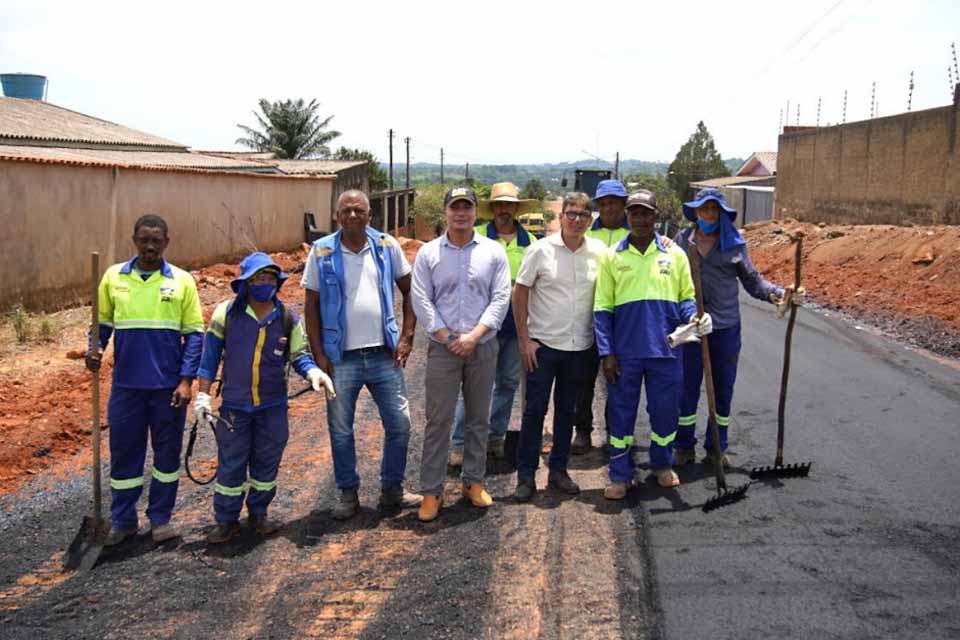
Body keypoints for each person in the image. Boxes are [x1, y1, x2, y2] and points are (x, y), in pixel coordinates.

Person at [194, 252, 334, 543]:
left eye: (270, 278)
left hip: (272, 407)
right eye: (258, 278)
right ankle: (226, 520)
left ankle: (258, 514)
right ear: (246, 282)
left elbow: (299, 356)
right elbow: (209, 359)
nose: (264, 283)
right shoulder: (226, 314)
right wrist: (203, 396)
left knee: (267, 463)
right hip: (234, 407)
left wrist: (313, 374)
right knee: (231, 464)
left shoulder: (287, 318)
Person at [302, 190, 420, 520]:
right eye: (346, 210)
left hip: (384, 355)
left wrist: (408, 336)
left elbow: (411, 291)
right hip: (341, 359)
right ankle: (347, 493)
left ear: (370, 215)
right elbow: (310, 306)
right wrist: (318, 355)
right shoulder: (321, 250)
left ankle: (392, 489)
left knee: (400, 424)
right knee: (340, 429)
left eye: (359, 210)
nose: (352, 215)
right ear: (336, 216)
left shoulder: (386, 245)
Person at [86, 214, 203, 544]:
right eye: (144, 240)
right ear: (134, 240)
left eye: (157, 240)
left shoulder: (181, 281)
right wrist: (94, 349)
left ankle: (160, 519)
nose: (150, 246)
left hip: (168, 389)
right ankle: (124, 521)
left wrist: (186, 381)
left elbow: (195, 334)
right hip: (126, 388)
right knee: (125, 456)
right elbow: (101, 325)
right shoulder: (113, 277)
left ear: (167, 242)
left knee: (166, 458)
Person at [594, 191, 712, 498]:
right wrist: (606, 352)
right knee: (621, 414)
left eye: (646, 213)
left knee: (665, 412)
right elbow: (603, 308)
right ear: (627, 216)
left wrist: (696, 319)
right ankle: (620, 475)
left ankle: (661, 465)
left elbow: (686, 297)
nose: (641, 219)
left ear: (655, 216)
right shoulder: (612, 256)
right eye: (635, 213)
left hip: (668, 350)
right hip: (625, 353)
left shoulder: (675, 255)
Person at [672, 188, 802, 467]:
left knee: (723, 389)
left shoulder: (734, 244)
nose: (708, 214)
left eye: (713, 209)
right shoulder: (682, 242)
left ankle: (717, 447)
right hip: (692, 328)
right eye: (704, 209)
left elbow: (754, 282)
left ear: (720, 213)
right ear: (695, 212)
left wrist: (780, 294)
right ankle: (683, 446)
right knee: (687, 388)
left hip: (726, 328)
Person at [411, 186, 511, 522]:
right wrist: (448, 336)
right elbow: (421, 300)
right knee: (438, 421)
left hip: (482, 347)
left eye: (467, 207)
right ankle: (431, 491)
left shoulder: (493, 252)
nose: (461, 213)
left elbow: (501, 299)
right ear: (446, 212)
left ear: (475, 212)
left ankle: (473, 482)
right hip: (443, 349)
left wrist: (474, 336)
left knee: (478, 418)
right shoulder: (428, 253)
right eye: (455, 207)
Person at [512, 192, 606, 501]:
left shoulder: (600, 253)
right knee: (534, 412)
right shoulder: (540, 251)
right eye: (571, 213)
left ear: (590, 220)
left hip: (580, 348)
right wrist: (524, 339)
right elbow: (521, 292)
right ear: (561, 216)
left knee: (567, 411)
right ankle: (525, 477)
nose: (577, 219)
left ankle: (558, 471)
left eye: (583, 214)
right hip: (543, 347)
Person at [448, 182, 537, 466]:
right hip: (481, 326)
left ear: (516, 209)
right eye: (499, 205)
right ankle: (460, 442)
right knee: (475, 385)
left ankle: (495, 437)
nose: (504, 210)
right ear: (492, 209)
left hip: (515, 325)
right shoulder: (478, 239)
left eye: (509, 205)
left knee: (508, 383)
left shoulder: (531, 243)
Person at [572, 179, 632, 454]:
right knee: (583, 379)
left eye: (614, 203)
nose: (609, 208)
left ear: (623, 205)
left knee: (615, 380)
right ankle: (583, 431)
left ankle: (613, 432)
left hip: (621, 320)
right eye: (604, 203)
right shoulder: (586, 234)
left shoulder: (634, 235)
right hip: (587, 316)